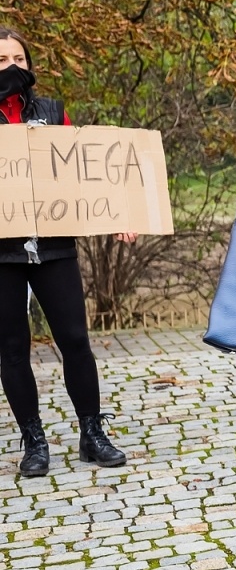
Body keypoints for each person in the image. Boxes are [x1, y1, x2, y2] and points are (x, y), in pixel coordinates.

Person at [0, 27, 130, 476]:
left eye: (19, 59)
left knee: (75, 340)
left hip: (54, 246)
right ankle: (34, 441)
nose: (12, 68)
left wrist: (117, 214)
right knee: (12, 347)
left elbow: (82, 176)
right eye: (1, 61)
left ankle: (91, 432)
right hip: (3, 254)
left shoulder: (54, 113)